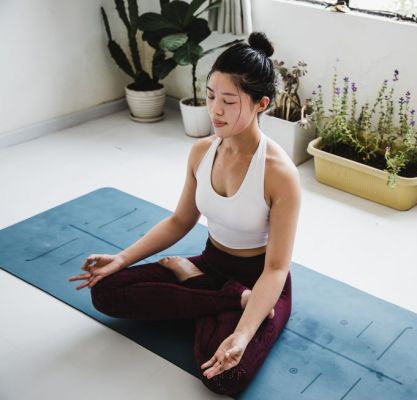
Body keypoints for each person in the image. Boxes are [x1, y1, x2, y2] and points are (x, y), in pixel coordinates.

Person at [67, 31, 301, 396]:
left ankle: (209, 293)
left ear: (261, 103)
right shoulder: (201, 152)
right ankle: (225, 298)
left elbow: (275, 269)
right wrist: (121, 259)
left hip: (261, 282)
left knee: (223, 376)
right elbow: (181, 220)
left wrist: (241, 335)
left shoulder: (280, 174)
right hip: (212, 262)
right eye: (210, 97)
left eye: (228, 100)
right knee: (106, 290)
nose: (215, 110)